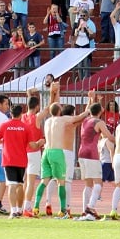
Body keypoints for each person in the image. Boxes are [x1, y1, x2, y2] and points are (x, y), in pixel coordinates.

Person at [32, 87, 88, 219]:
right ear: (59, 111)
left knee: (44, 181)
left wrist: (54, 93)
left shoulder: (47, 121)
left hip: (46, 151)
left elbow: (53, 107)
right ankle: (63, 209)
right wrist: (88, 109)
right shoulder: (61, 120)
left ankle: (35, 206)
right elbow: (78, 117)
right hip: (57, 152)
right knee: (61, 182)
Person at [0, 105, 45, 218]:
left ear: (11, 114)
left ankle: (13, 211)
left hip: (8, 159)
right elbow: (32, 145)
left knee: (11, 185)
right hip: (21, 160)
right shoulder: (25, 127)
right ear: (21, 114)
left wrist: (5, 140)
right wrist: (40, 142)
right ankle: (20, 209)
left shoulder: (5, 125)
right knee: (20, 185)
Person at [77, 94, 116, 221]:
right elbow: (109, 137)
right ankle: (90, 207)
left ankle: (85, 210)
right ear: (100, 111)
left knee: (88, 184)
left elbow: (87, 111)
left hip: (81, 152)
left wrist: (91, 99)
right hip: (91, 153)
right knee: (98, 183)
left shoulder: (85, 120)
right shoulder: (99, 122)